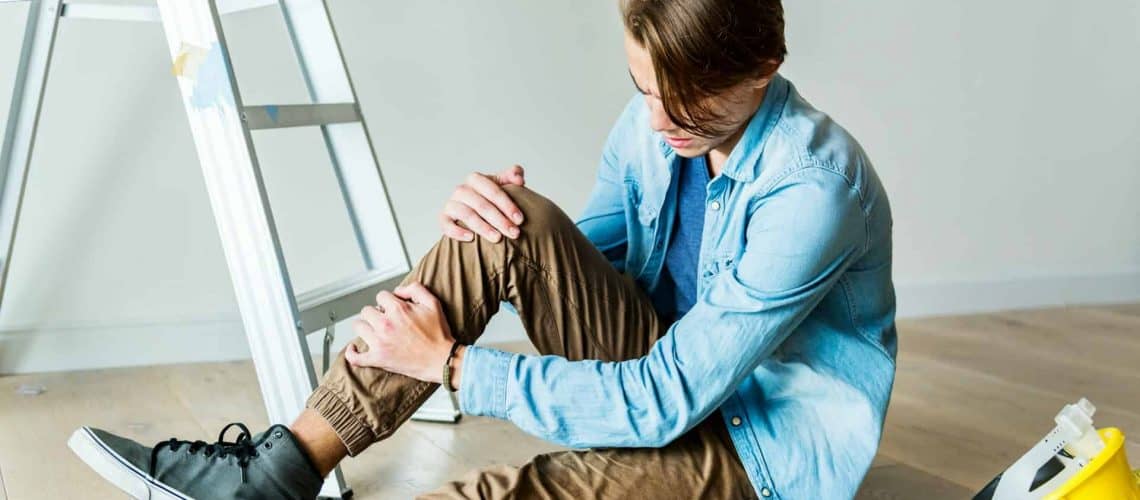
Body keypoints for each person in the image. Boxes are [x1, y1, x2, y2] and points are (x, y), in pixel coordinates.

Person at [69, 0, 897, 498]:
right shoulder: (656, 126)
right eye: (643, 91)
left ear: (767, 65)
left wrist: (457, 369)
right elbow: (564, 255)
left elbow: (664, 398)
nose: (655, 125)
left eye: (687, 109)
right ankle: (275, 477)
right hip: (666, 375)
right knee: (506, 223)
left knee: (504, 495)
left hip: (753, 451)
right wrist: (491, 217)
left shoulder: (812, 192)